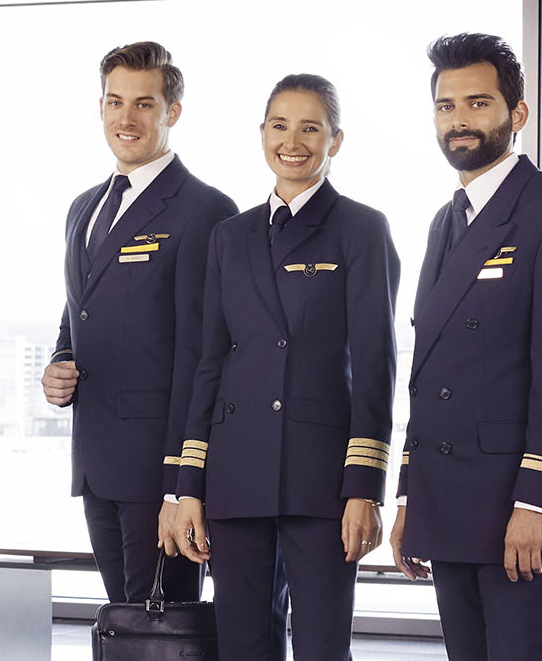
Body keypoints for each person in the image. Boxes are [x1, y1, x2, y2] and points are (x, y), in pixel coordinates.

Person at [161, 74, 400, 661]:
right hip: (236, 473)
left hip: (322, 481)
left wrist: (364, 488)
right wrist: (187, 486)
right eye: (279, 125)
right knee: (243, 646)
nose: (292, 141)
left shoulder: (361, 229)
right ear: (262, 134)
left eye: (310, 128)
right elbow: (208, 364)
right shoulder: (229, 236)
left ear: (335, 141)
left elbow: (375, 365)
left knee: (322, 647)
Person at [389, 32, 542, 661]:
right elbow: (427, 377)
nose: (459, 120)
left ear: (517, 115)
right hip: (450, 503)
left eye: (478, 103)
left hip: (518, 505)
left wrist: (540, 503)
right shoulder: (445, 219)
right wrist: (410, 499)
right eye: (446, 106)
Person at [40, 41, 238, 603]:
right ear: (100, 107)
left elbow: (203, 355)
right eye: (115, 101)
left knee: (164, 630)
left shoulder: (204, 210)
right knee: (127, 628)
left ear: (172, 112)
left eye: (144, 104)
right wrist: (59, 361)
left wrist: (183, 481)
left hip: (159, 469)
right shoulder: (84, 207)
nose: (127, 118)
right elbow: (77, 310)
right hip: (97, 461)